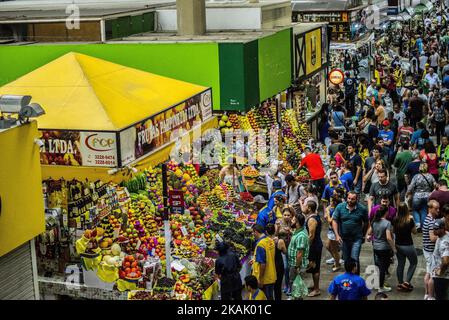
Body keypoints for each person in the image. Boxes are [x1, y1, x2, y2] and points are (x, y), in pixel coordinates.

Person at [332, 191, 369, 273]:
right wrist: (337, 235)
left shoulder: (362, 209)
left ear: (357, 199)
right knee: (346, 259)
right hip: (344, 239)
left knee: (354, 258)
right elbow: (334, 221)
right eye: (349, 198)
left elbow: (366, 222)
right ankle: (348, 277)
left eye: (352, 199)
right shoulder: (340, 207)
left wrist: (363, 234)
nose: (350, 200)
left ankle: (356, 280)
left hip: (356, 238)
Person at [366, 206, 396, 293]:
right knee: (383, 267)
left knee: (380, 266)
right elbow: (388, 238)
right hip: (384, 248)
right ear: (386, 213)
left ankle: (379, 282)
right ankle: (381, 286)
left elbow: (369, 232)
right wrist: (394, 248)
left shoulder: (374, 221)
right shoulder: (387, 223)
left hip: (376, 247)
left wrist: (372, 236)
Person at [393, 203, 418, 292]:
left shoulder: (395, 219)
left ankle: (400, 283)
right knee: (414, 262)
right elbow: (415, 232)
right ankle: (406, 282)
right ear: (407, 209)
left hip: (398, 245)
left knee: (400, 263)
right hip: (408, 245)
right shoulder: (410, 219)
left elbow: (393, 231)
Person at [407, 163, 436, 231]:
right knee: (424, 210)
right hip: (428, 196)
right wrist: (432, 192)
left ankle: (418, 225)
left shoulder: (416, 176)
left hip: (417, 196)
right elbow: (436, 185)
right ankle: (423, 226)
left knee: (415, 210)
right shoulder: (430, 176)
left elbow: (411, 187)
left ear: (420, 168)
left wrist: (407, 193)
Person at [251, 224, 276, 300]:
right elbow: (268, 256)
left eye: (253, 232)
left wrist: (260, 279)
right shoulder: (270, 240)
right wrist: (255, 259)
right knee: (270, 296)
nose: (252, 234)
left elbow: (263, 264)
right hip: (271, 275)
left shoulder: (260, 245)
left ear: (256, 232)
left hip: (265, 279)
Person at [288, 212, 309, 300]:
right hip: (294, 263)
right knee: (295, 285)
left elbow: (299, 254)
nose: (291, 221)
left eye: (293, 220)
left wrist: (297, 266)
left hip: (296, 264)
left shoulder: (301, 236)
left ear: (297, 223)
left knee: (296, 285)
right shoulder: (298, 231)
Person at [423, 200, 440, 300]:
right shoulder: (431, 221)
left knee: (428, 272)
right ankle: (430, 296)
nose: (438, 210)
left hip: (427, 250)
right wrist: (442, 235)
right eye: (436, 208)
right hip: (430, 251)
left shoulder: (428, 219)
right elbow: (432, 238)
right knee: (431, 275)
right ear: (430, 209)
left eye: (438, 208)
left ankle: (426, 294)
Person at [266, 224, 287, 301]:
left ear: (266, 232)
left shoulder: (265, 242)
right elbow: (285, 252)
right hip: (278, 265)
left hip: (270, 265)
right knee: (278, 287)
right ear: (274, 231)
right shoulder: (280, 241)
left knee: (270, 286)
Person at [431, 219, 449, 300]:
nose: (434, 230)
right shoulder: (445, 235)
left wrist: (440, 272)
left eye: (436, 228)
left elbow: (445, 262)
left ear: (443, 229)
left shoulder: (444, 243)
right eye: (433, 228)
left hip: (442, 278)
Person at [325, 196, 342, 272]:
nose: (329, 202)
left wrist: (328, 212)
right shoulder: (331, 208)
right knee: (328, 246)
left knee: (334, 249)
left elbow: (329, 221)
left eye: (331, 201)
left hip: (335, 231)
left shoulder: (336, 210)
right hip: (330, 230)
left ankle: (337, 264)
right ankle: (336, 259)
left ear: (334, 202)